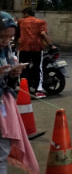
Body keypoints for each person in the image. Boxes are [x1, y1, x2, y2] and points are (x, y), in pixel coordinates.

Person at [0, 12, 40, 174]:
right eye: (2, 36)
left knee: (3, 150)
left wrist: (11, 75)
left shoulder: (7, 51)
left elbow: (9, 84)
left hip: (3, 106)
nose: (6, 41)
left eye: (10, 37)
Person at [16, 7, 55, 98]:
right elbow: (43, 34)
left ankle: (25, 90)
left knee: (23, 68)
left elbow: (17, 34)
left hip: (24, 48)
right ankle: (38, 91)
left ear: (26, 13)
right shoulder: (41, 22)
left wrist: (15, 43)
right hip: (37, 48)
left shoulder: (21, 22)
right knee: (38, 68)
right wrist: (51, 45)